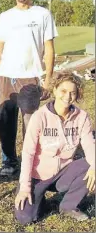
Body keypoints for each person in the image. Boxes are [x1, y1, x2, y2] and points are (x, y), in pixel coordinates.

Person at [0, 0, 58, 176]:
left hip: (31, 76)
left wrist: (48, 79)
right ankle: (9, 161)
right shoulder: (5, 17)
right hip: (6, 76)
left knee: (30, 124)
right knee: (3, 121)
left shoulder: (42, 14)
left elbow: (50, 49)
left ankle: (29, 163)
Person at [15, 71, 95, 224]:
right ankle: (37, 197)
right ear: (55, 90)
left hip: (63, 172)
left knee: (91, 163)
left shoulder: (81, 117)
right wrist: (25, 187)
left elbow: (89, 144)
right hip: (37, 176)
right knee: (25, 219)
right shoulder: (39, 116)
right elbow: (28, 153)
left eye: (73, 92)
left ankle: (68, 206)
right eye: (63, 91)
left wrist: (94, 167)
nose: (68, 96)